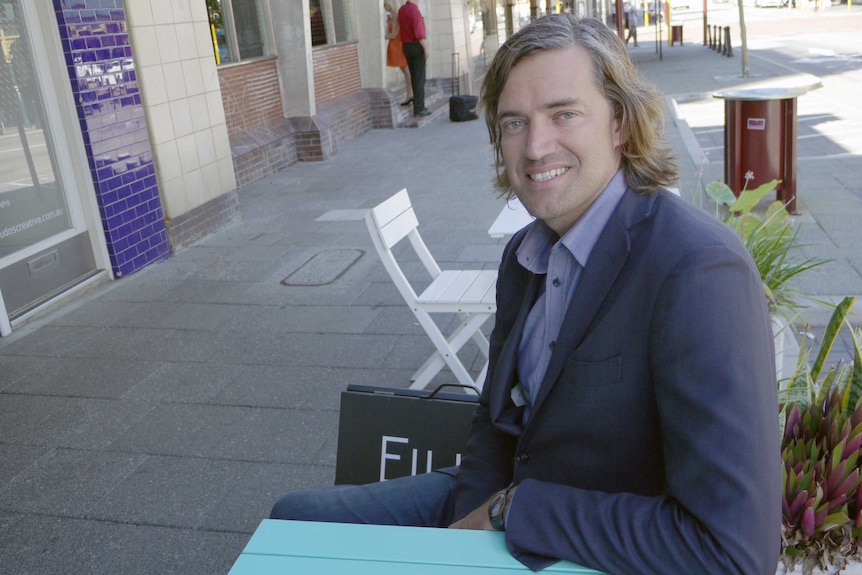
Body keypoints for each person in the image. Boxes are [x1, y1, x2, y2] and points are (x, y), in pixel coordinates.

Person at [270, 14, 781, 575]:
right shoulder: (525, 254)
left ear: (619, 123)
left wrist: (509, 511)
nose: (536, 146)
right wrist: (468, 532)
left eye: (564, 113)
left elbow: (733, 552)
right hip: (503, 498)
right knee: (293, 521)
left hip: (598, 540)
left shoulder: (698, 269)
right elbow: (495, 417)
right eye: (514, 123)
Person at [398, 0, 430, 117]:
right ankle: (419, 107)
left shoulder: (401, 10)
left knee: (413, 75)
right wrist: (426, 48)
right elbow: (419, 32)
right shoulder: (414, 10)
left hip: (406, 46)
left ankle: (418, 105)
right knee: (420, 78)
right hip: (416, 45)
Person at [384, 1, 414, 106]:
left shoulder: (396, 16)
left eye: (386, 5)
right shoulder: (394, 16)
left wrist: (382, 36)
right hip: (396, 44)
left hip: (397, 45)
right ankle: (410, 94)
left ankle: (410, 94)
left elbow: (393, 35)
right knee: (405, 71)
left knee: (406, 71)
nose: (385, 8)